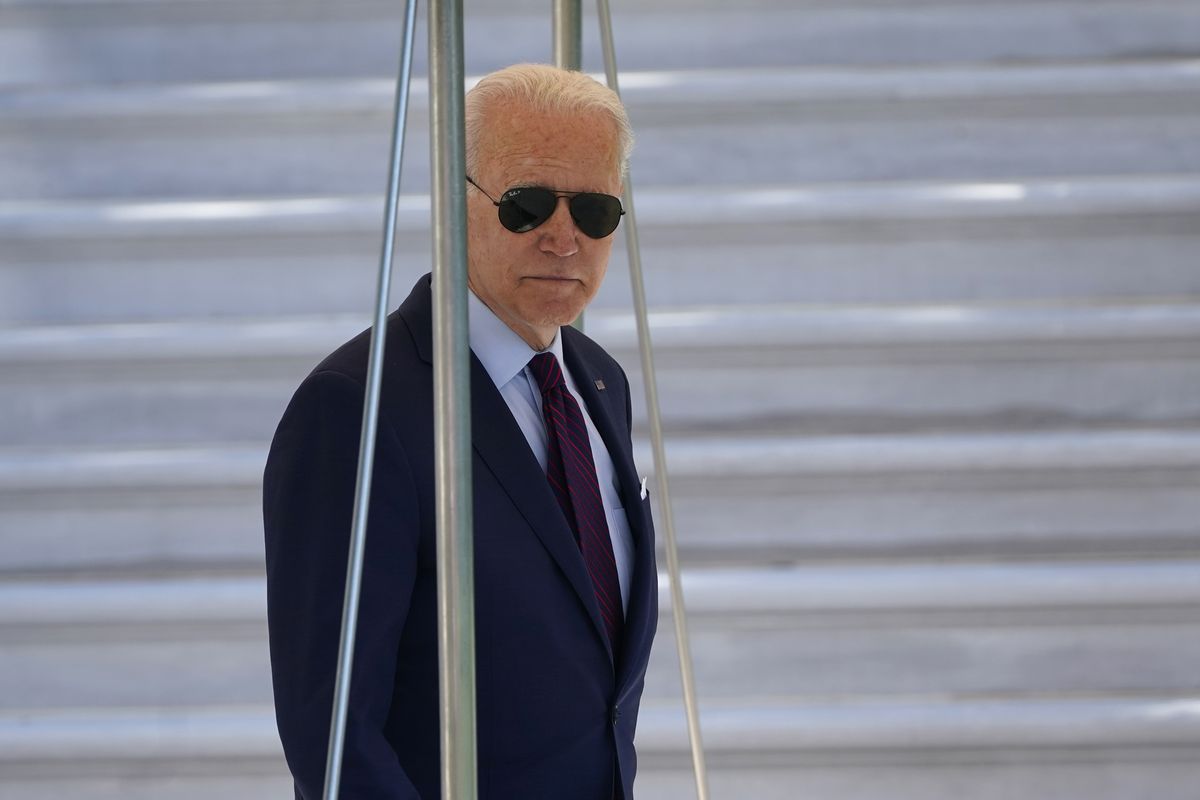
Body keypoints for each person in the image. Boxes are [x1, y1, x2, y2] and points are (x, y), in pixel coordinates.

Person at [263, 64, 658, 800]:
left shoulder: (600, 381)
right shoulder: (356, 407)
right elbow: (335, 741)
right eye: (528, 204)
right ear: (453, 200)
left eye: (596, 212)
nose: (564, 239)